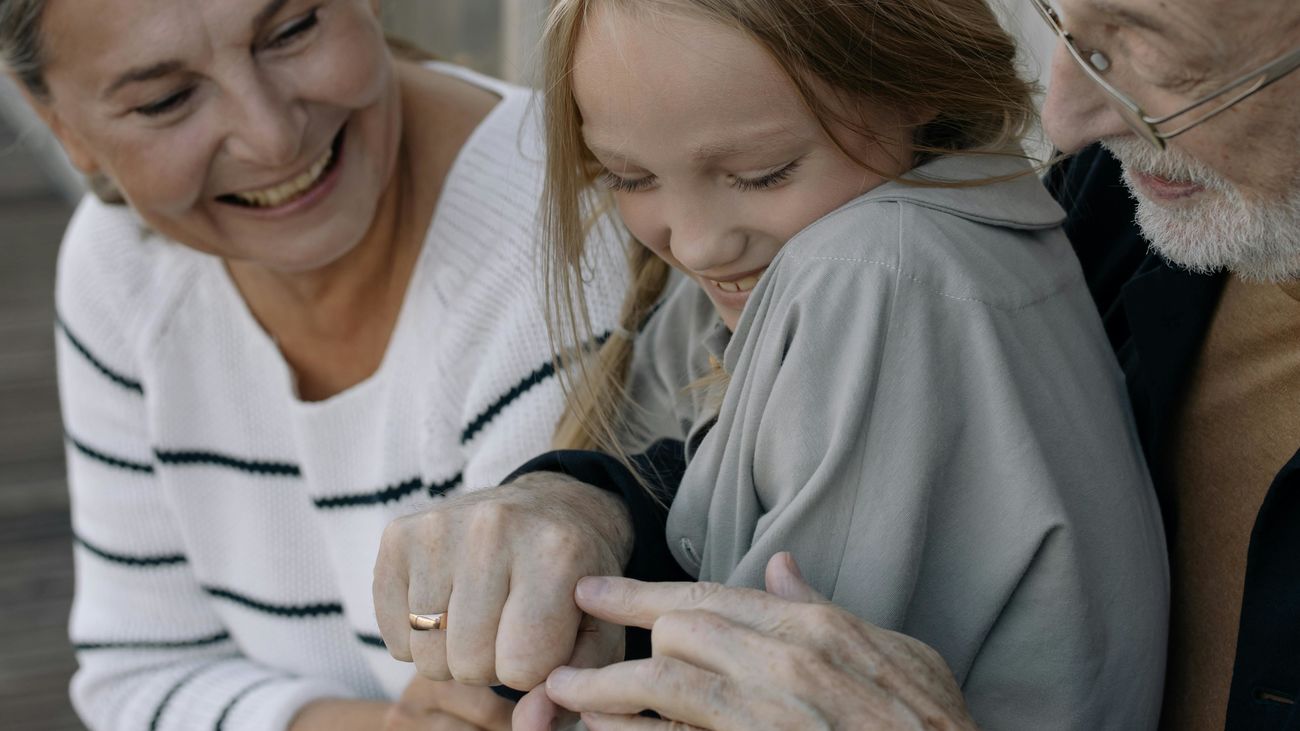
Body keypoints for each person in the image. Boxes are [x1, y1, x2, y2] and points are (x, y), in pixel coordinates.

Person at [503, 0, 1300, 729]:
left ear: (911, 79)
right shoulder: (1112, 209)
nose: (1064, 122)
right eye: (1068, 30)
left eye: (763, 172)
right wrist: (588, 506)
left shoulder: (871, 270)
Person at [0, 0, 627, 728]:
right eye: (167, 99)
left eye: (292, 30)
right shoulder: (123, 263)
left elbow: (531, 708)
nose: (271, 138)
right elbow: (138, 674)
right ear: (62, 128)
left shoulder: (573, 242)